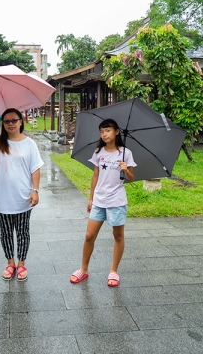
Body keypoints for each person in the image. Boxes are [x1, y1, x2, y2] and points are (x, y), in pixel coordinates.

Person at [70, 118, 136, 287]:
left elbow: (131, 177)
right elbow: (95, 175)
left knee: (118, 236)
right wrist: (91, 198)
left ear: (116, 131)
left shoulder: (125, 153)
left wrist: (125, 169)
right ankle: (83, 269)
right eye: (101, 131)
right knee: (89, 235)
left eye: (107, 130)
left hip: (117, 200)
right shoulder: (99, 152)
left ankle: (114, 270)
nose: (104, 134)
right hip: (99, 199)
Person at [0, 108, 43, 282]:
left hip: (23, 196)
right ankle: (10, 263)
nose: (11, 124)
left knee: (22, 232)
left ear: (21, 121)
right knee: (5, 232)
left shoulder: (29, 144)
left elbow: (35, 168)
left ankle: (21, 263)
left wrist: (35, 190)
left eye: (14, 120)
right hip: (2, 196)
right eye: (7, 121)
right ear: (3, 124)